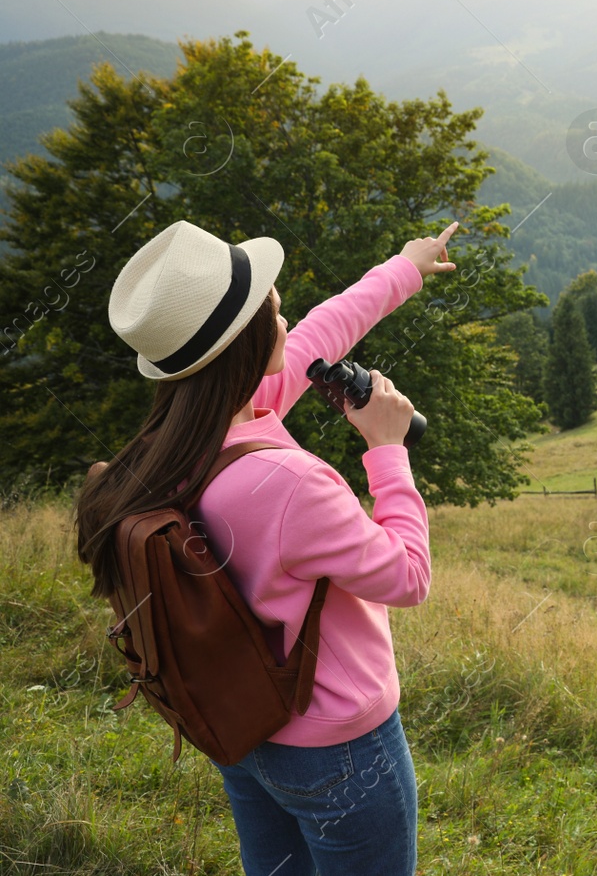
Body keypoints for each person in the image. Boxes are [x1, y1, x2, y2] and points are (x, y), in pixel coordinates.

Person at [73, 217, 461, 876]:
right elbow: (409, 575)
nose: (289, 321)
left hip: (243, 727)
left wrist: (404, 268)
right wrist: (388, 451)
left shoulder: (175, 443)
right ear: (248, 344)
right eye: (275, 311)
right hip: (340, 750)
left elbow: (322, 331)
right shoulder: (290, 483)